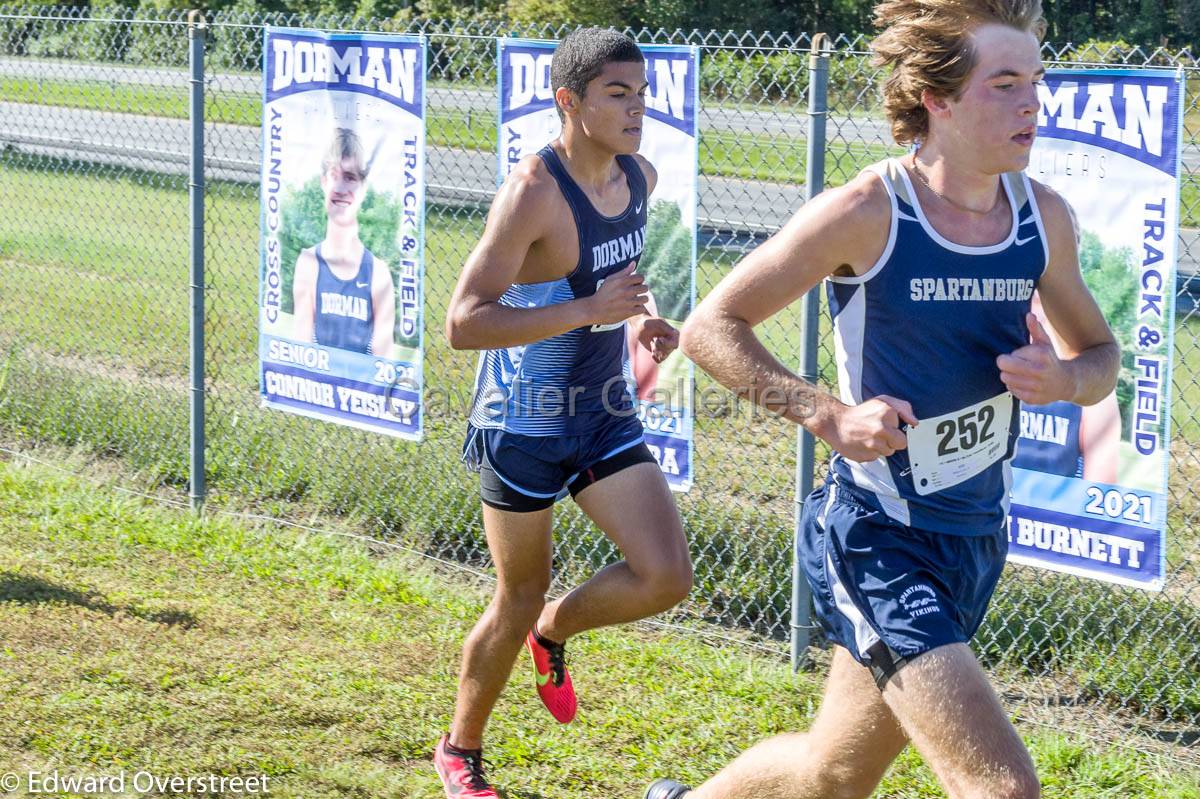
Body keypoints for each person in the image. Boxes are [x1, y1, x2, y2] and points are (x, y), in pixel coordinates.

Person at [645, 1, 1119, 797]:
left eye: (1035, 81)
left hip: (971, 536)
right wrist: (828, 415)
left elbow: (1101, 360)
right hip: (877, 538)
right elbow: (711, 328)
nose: (1032, 103)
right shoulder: (868, 211)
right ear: (936, 97)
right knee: (1002, 788)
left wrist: (1064, 379)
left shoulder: (1044, 218)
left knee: (829, 775)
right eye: (1004, 84)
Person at [435, 28, 691, 799]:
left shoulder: (639, 176)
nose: (637, 109)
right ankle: (459, 751)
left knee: (665, 575)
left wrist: (639, 312)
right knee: (512, 596)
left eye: (643, 94)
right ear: (569, 101)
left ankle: (558, 628)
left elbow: (619, 269)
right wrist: (587, 307)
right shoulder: (532, 193)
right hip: (524, 419)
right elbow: (463, 322)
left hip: (604, 410)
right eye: (619, 94)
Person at [292, 127, 395, 357]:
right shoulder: (309, 263)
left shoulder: (378, 273)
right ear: (323, 182)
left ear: (363, 188)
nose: (339, 189)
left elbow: (383, 366)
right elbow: (300, 355)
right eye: (334, 176)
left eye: (349, 178)